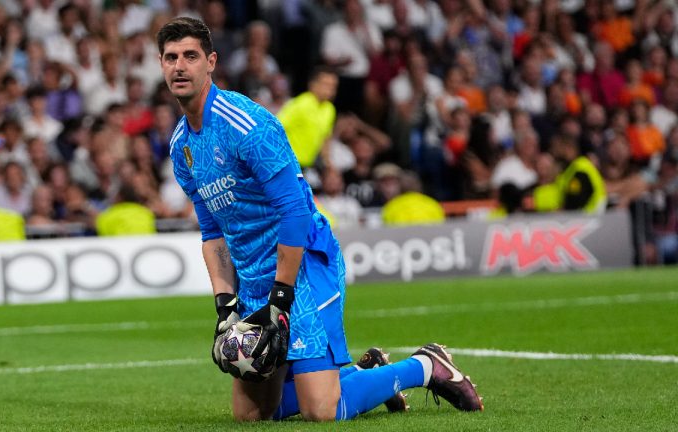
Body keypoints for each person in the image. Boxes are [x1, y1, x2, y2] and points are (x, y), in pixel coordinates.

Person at [156, 17, 483, 422]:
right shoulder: (181, 146)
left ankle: (424, 366)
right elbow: (212, 233)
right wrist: (226, 309)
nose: (179, 66)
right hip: (253, 276)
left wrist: (281, 298)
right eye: (171, 58)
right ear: (161, 64)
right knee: (253, 415)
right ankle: (360, 374)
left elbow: (294, 212)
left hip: (303, 264)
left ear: (211, 62)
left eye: (190, 56)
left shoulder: (247, 124)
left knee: (322, 411)